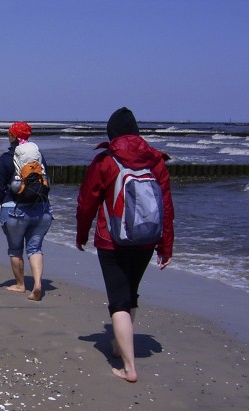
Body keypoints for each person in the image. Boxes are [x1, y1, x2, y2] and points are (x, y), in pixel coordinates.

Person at [76, 107, 174, 383]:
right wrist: (165, 247)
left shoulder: (105, 161)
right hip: (146, 239)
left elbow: (87, 203)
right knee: (130, 293)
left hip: (111, 240)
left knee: (118, 301)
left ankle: (129, 368)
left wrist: (81, 234)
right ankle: (119, 346)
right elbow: (166, 208)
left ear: (111, 133)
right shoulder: (156, 161)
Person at [0, 121, 53, 301]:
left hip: (14, 211)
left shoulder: (6, 159)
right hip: (42, 209)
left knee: (16, 250)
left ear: (13, 137)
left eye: (9, 133)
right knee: (35, 248)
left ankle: (20, 285)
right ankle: (38, 284)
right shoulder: (39, 157)